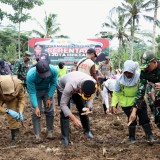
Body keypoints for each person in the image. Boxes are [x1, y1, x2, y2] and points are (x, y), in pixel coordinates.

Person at [112, 60, 154, 143]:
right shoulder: (119, 80)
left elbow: (141, 94)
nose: (128, 75)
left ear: (134, 71)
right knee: (131, 119)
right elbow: (116, 93)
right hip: (126, 103)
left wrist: (135, 109)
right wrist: (113, 105)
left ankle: (149, 136)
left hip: (139, 100)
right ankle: (131, 138)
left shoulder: (139, 77)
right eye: (126, 72)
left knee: (144, 118)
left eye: (130, 73)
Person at [57, 71, 97, 145]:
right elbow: (63, 104)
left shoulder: (93, 84)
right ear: (80, 88)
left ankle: (87, 131)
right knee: (64, 112)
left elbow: (91, 97)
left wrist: (88, 107)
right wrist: (74, 118)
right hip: (63, 87)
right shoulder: (70, 86)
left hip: (77, 86)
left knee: (82, 107)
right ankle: (65, 137)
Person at [26, 60, 58, 143]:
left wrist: (50, 97)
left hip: (47, 90)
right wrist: (36, 107)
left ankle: (49, 132)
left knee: (50, 110)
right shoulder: (30, 75)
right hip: (36, 92)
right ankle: (37, 136)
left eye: (46, 74)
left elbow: (54, 83)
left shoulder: (54, 70)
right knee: (36, 113)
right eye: (42, 75)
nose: (44, 77)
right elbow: (32, 92)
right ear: (37, 71)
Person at [130, 51, 160, 134]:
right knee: (157, 117)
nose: (146, 69)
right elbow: (140, 92)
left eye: (148, 66)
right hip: (154, 91)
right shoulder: (144, 72)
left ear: (154, 62)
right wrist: (134, 111)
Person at [0, 75, 25, 141]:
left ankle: (15, 136)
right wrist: (7, 111)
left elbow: (21, 99)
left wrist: (20, 111)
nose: (8, 96)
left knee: (13, 117)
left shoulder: (18, 85)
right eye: (7, 94)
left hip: (13, 98)